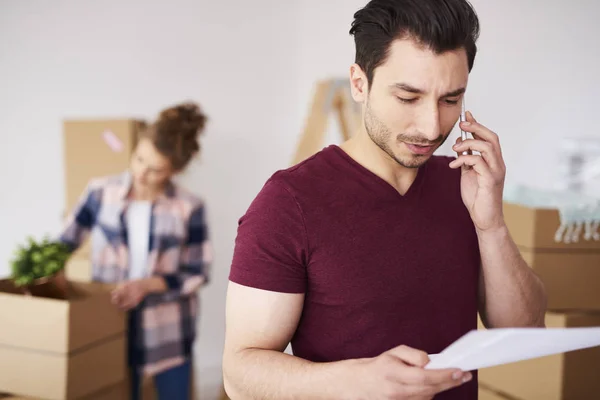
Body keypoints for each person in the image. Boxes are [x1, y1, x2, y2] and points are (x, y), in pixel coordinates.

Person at [223, 0, 547, 399]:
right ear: (360, 84)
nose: (431, 127)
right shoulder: (288, 203)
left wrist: (490, 224)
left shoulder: (463, 186)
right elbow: (239, 375)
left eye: (450, 100)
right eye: (408, 98)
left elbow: (525, 333)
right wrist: (354, 382)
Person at [59, 102, 213, 400]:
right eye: (139, 159)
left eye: (155, 169)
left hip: (168, 331)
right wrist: (53, 277)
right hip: (110, 322)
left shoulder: (189, 206)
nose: (141, 173)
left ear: (175, 170)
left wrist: (148, 285)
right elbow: (64, 242)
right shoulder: (100, 192)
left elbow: (199, 272)